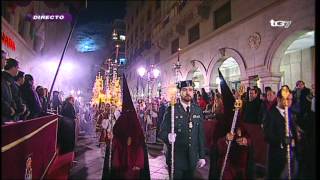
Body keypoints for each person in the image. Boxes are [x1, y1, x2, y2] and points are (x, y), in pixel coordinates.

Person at [159, 80, 206, 179]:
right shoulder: (172, 109)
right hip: (176, 159)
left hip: (192, 159)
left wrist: (202, 155)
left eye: (190, 90)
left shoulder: (197, 110)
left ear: (193, 92)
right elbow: (161, 132)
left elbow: (200, 135)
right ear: (180, 92)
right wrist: (168, 136)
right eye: (184, 90)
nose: (188, 92)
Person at [263, 86, 301, 179]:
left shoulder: (289, 112)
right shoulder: (271, 114)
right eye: (287, 99)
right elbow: (267, 135)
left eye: (291, 99)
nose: (289, 102)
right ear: (279, 99)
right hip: (278, 155)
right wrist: (282, 140)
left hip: (293, 152)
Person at [1, 58, 20, 123]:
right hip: (6, 112)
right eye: (17, 68)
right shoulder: (5, 77)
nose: (18, 70)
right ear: (13, 68)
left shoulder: (11, 79)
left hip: (10, 112)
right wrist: (9, 108)